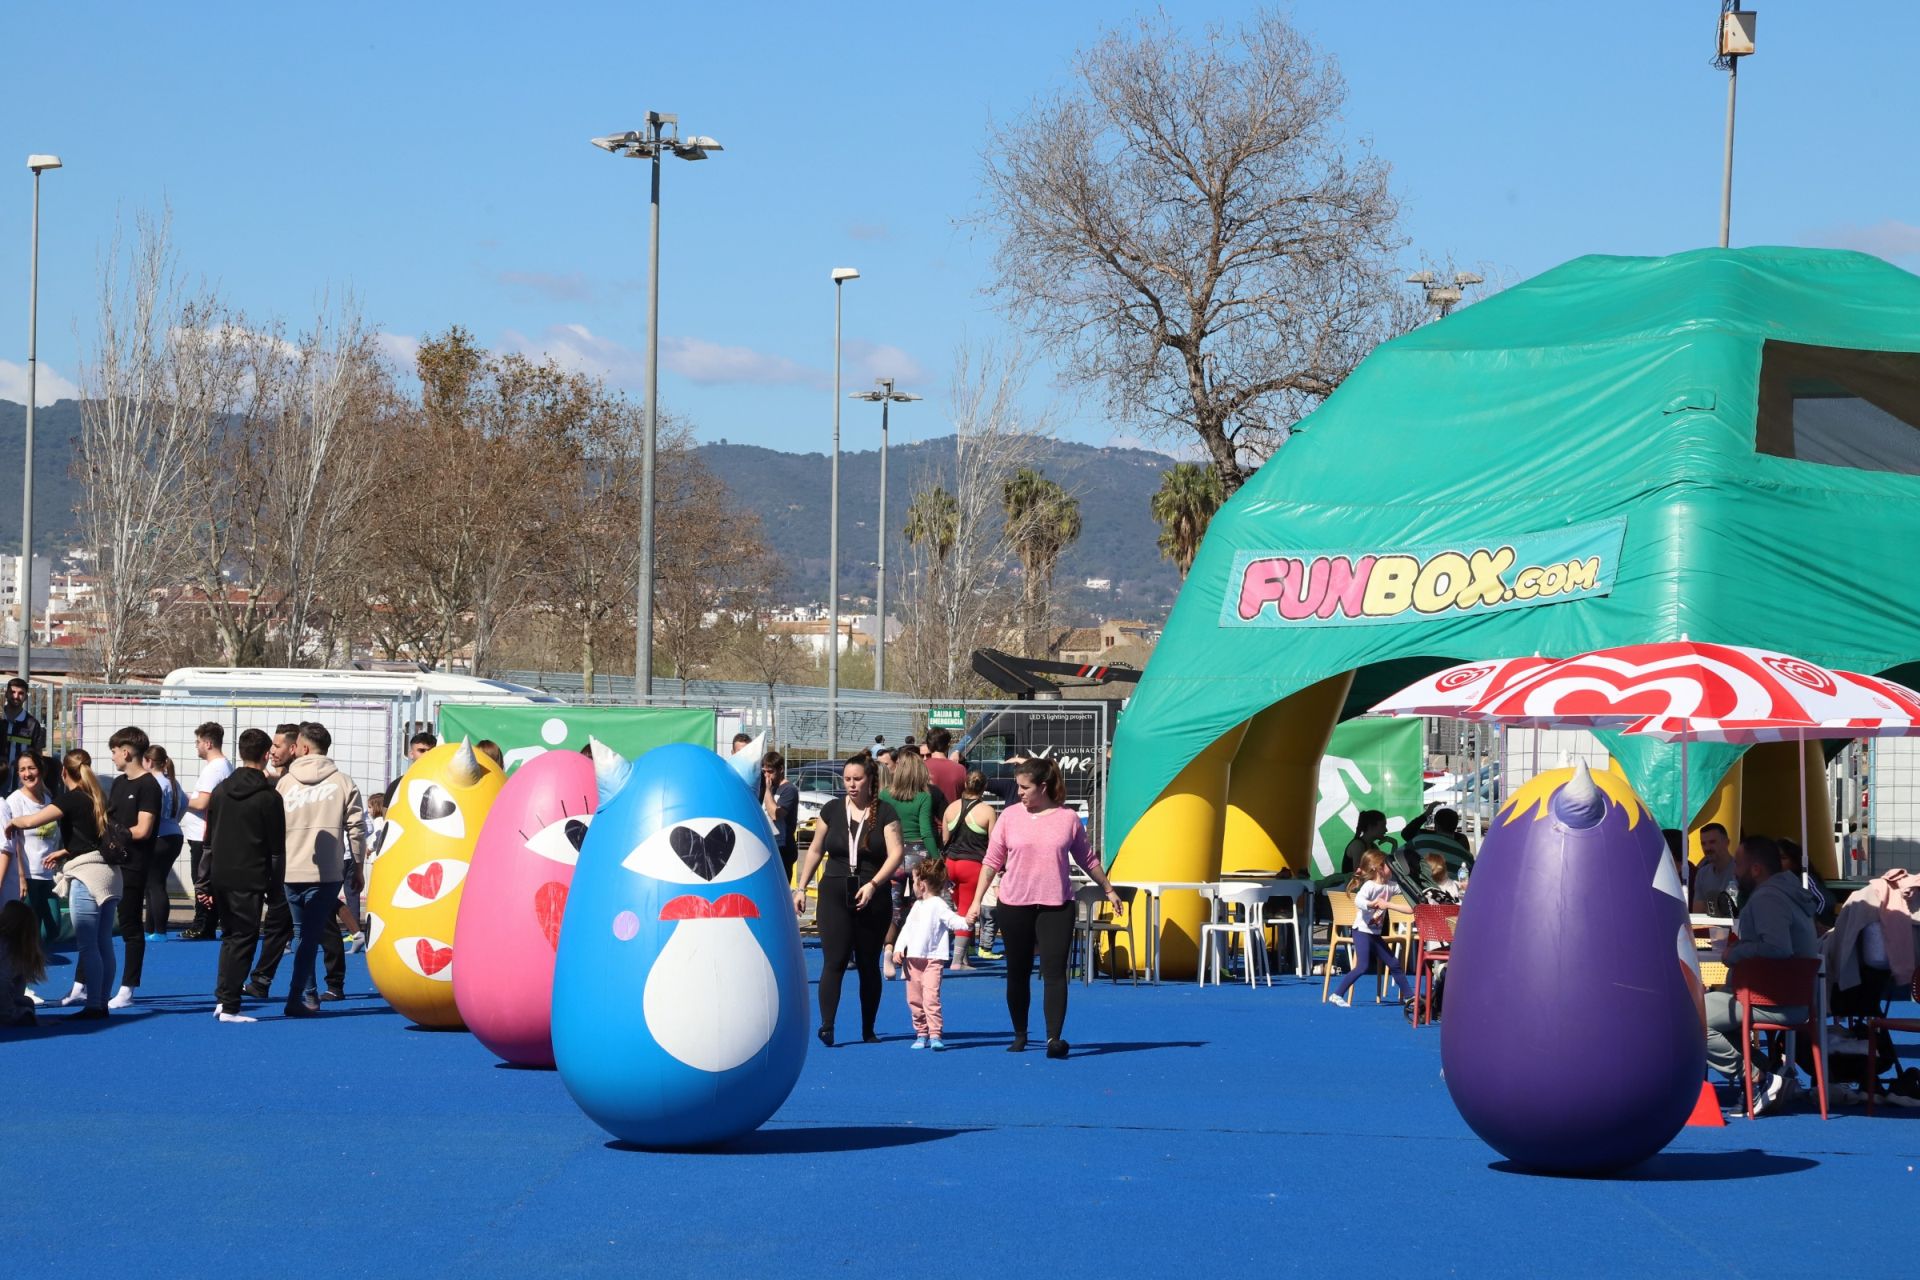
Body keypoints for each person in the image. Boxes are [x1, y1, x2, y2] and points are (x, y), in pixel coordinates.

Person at [968, 756, 1122, 1059]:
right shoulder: (1009, 817)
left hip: (1056, 905)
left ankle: (1054, 1038)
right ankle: (1020, 1033)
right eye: (1018, 787)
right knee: (1018, 972)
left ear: (1043, 786)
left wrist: (1108, 889)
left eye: (1025, 788)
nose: (1020, 793)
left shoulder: (1068, 819)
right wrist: (976, 900)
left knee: (1054, 973)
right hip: (1014, 904)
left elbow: (1087, 859)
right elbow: (991, 861)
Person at [791, 751, 904, 1047]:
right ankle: (827, 1025)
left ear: (870, 781)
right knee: (835, 960)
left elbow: (896, 854)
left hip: (872, 893)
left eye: (857, 779)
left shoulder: (886, 813)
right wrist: (801, 887)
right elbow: (815, 850)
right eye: (847, 779)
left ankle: (869, 1029)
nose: (851, 785)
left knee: (868, 961)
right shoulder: (831, 810)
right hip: (834, 891)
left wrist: (874, 884)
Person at [1704, 835, 1821, 1114]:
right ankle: (1771, 1073)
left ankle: (1760, 1077)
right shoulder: (1789, 895)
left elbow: (1777, 948)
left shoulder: (1768, 898)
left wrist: (1736, 953)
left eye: (1739, 865)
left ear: (1756, 869)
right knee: (1710, 1013)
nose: (1734, 871)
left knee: (1689, 1016)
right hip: (1791, 998)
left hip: (1771, 1000)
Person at [8, 750, 117, 1018]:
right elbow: (91, 837)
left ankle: (94, 1005)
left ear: (62, 773)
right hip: (110, 875)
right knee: (104, 943)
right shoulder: (97, 796)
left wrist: (10, 821)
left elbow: (33, 820)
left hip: (86, 876)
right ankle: (101, 1000)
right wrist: (65, 851)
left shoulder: (69, 799)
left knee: (88, 945)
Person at [273, 721, 367, 1015]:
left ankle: (307, 993)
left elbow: (274, 824)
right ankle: (298, 996)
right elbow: (357, 828)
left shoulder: (286, 783)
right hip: (327, 870)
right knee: (309, 934)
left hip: (291, 866)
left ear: (302, 748)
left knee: (302, 933)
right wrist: (359, 865)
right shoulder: (342, 781)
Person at [208, 729, 286, 1024]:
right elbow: (277, 849)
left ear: (240, 752)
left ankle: (224, 998)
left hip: (221, 873)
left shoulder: (221, 790)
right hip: (251, 875)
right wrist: (276, 888)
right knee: (243, 938)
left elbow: (208, 838)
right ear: (267, 754)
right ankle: (229, 1005)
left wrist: (204, 878)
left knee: (231, 937)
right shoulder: (269, 798)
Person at [104, 726, 164, 1009]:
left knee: (130, 925)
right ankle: (89, 983)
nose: (113, 757)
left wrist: (114, 833)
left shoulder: (148, 786)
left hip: (133, 864)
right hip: (111, 863)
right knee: (99, 924)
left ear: (126, 752)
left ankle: (128, 987)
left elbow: (143, 829)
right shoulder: (119, 783)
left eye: (115, 752)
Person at [892, 858, 971, 1050]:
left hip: (933, 959)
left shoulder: (938, 904)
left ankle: (935, 1034)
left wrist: (967, 921)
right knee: (914, 999)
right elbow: (907, 929)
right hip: (912, 961)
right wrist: (898, 948)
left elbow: (953, 921)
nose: (912, 885)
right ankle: (921, 1033)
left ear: (922, 884)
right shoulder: (917, 906)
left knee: (931, 997)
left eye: (914, 881)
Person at [1328, 850, 1416, 1009]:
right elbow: (1359, 900)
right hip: (1361, 931)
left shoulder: (1390, 886)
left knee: (1394, 963)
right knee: (1362, 966)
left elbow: (1404, 888)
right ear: (1378, 868)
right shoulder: (1369, 886)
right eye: (1390, 866)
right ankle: (1337, 994)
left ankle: (1410, 996)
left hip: (1374, 934)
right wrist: (1371, 903)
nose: (1393, 869)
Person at [880, 749, 941, 979]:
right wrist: (936, 858)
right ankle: (910, 957)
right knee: (918, 909)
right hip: (918, 855)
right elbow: (926, 831)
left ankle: (888, 951)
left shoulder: (886, 795)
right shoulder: (924, 797)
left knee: (894, 907)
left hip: (893, 853)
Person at [178, 723, 233, 941]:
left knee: (202, 881)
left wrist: (181, 799)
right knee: (206, 880)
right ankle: (205, 923)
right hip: (205, 834)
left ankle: (202, 925)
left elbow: (203, 802)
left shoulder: (214, 768)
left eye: (198, 742)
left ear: (208, 743)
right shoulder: (222, 766)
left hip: (203, 835)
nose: (197, 747)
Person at [940, 770, 997, 969]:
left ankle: (963, 956)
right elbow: (994, 843)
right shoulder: (987, 811)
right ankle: (957, 960)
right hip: (972, 866)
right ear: (984, 788)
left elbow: (945, 840)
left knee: (958, 908)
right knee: (967, 910)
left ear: (965, 785)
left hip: (950, 864)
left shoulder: (951, 808)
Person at [8, 753, 60, 946]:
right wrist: (21, 876)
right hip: (27, 875)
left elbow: (53, 836)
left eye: (31, 768)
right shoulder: (15, 801)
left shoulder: (47, 799)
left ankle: (30, 960)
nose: (27, 774)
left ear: (41, 770)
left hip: (48, 876)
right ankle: (24, 968)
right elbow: (14, 842)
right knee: (29, 930)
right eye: (22, 770)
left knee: (53, 927)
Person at [144, 744, 187, 943]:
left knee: (155, 883)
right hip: (174, 834)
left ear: (149, 761)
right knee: (154, 883)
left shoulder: (154, 783)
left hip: (159, 836)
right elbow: (185, 803)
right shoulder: (173, 782)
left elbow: (151, 811)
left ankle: (159, 930)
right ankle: (151, 928)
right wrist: (174, 820)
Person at [0, 898, 46, 1025]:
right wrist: (9, 1011)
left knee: (26, 1002)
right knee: (25, 1011)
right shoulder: (6, 948)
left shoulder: (17, 950)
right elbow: (2, 983)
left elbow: (18, 986)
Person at [759, 751, 799, 886]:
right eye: (764, 772)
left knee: (780, 888)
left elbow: (775, 814)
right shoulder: (769, 787)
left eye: (770, 771)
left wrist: (768, 791)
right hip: (769, 844)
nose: (766, 776)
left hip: (783, 848)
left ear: (780, 769)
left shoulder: (789, 790)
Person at [2, 677, 46, 782]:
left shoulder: (32, 724)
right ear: (6, 693)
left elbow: (38, 755)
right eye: (12, 692)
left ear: (26, 697)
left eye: (21, 693)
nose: (16, 696)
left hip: (21, 782)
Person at [1690, 823, 1734, 912]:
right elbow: (1698, 913)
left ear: (1727, 842)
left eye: (1712, 842)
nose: (1707, 848)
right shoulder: (1702, 874)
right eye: (1703, 843)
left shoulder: (1740, 871)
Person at [385, 731, 436, 804]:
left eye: (431, 750)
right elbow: (387, 814)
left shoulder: (445, 783)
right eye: (422, 750)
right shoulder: (397, 785)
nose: (427, 754)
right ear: (411, 754)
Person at [923, 727, 967, 807]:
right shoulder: (960, 769)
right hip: (953, 817)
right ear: (948, 745)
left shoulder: (919, 768)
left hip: (927, 817)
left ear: (928, 746)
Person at [1341, 810, 1389, 875]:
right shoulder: (1358, 845)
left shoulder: (1373, 846)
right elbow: (1359, 874)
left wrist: (1394, 844)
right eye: (1383, 826)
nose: (1386, 830)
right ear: (1371, 827)